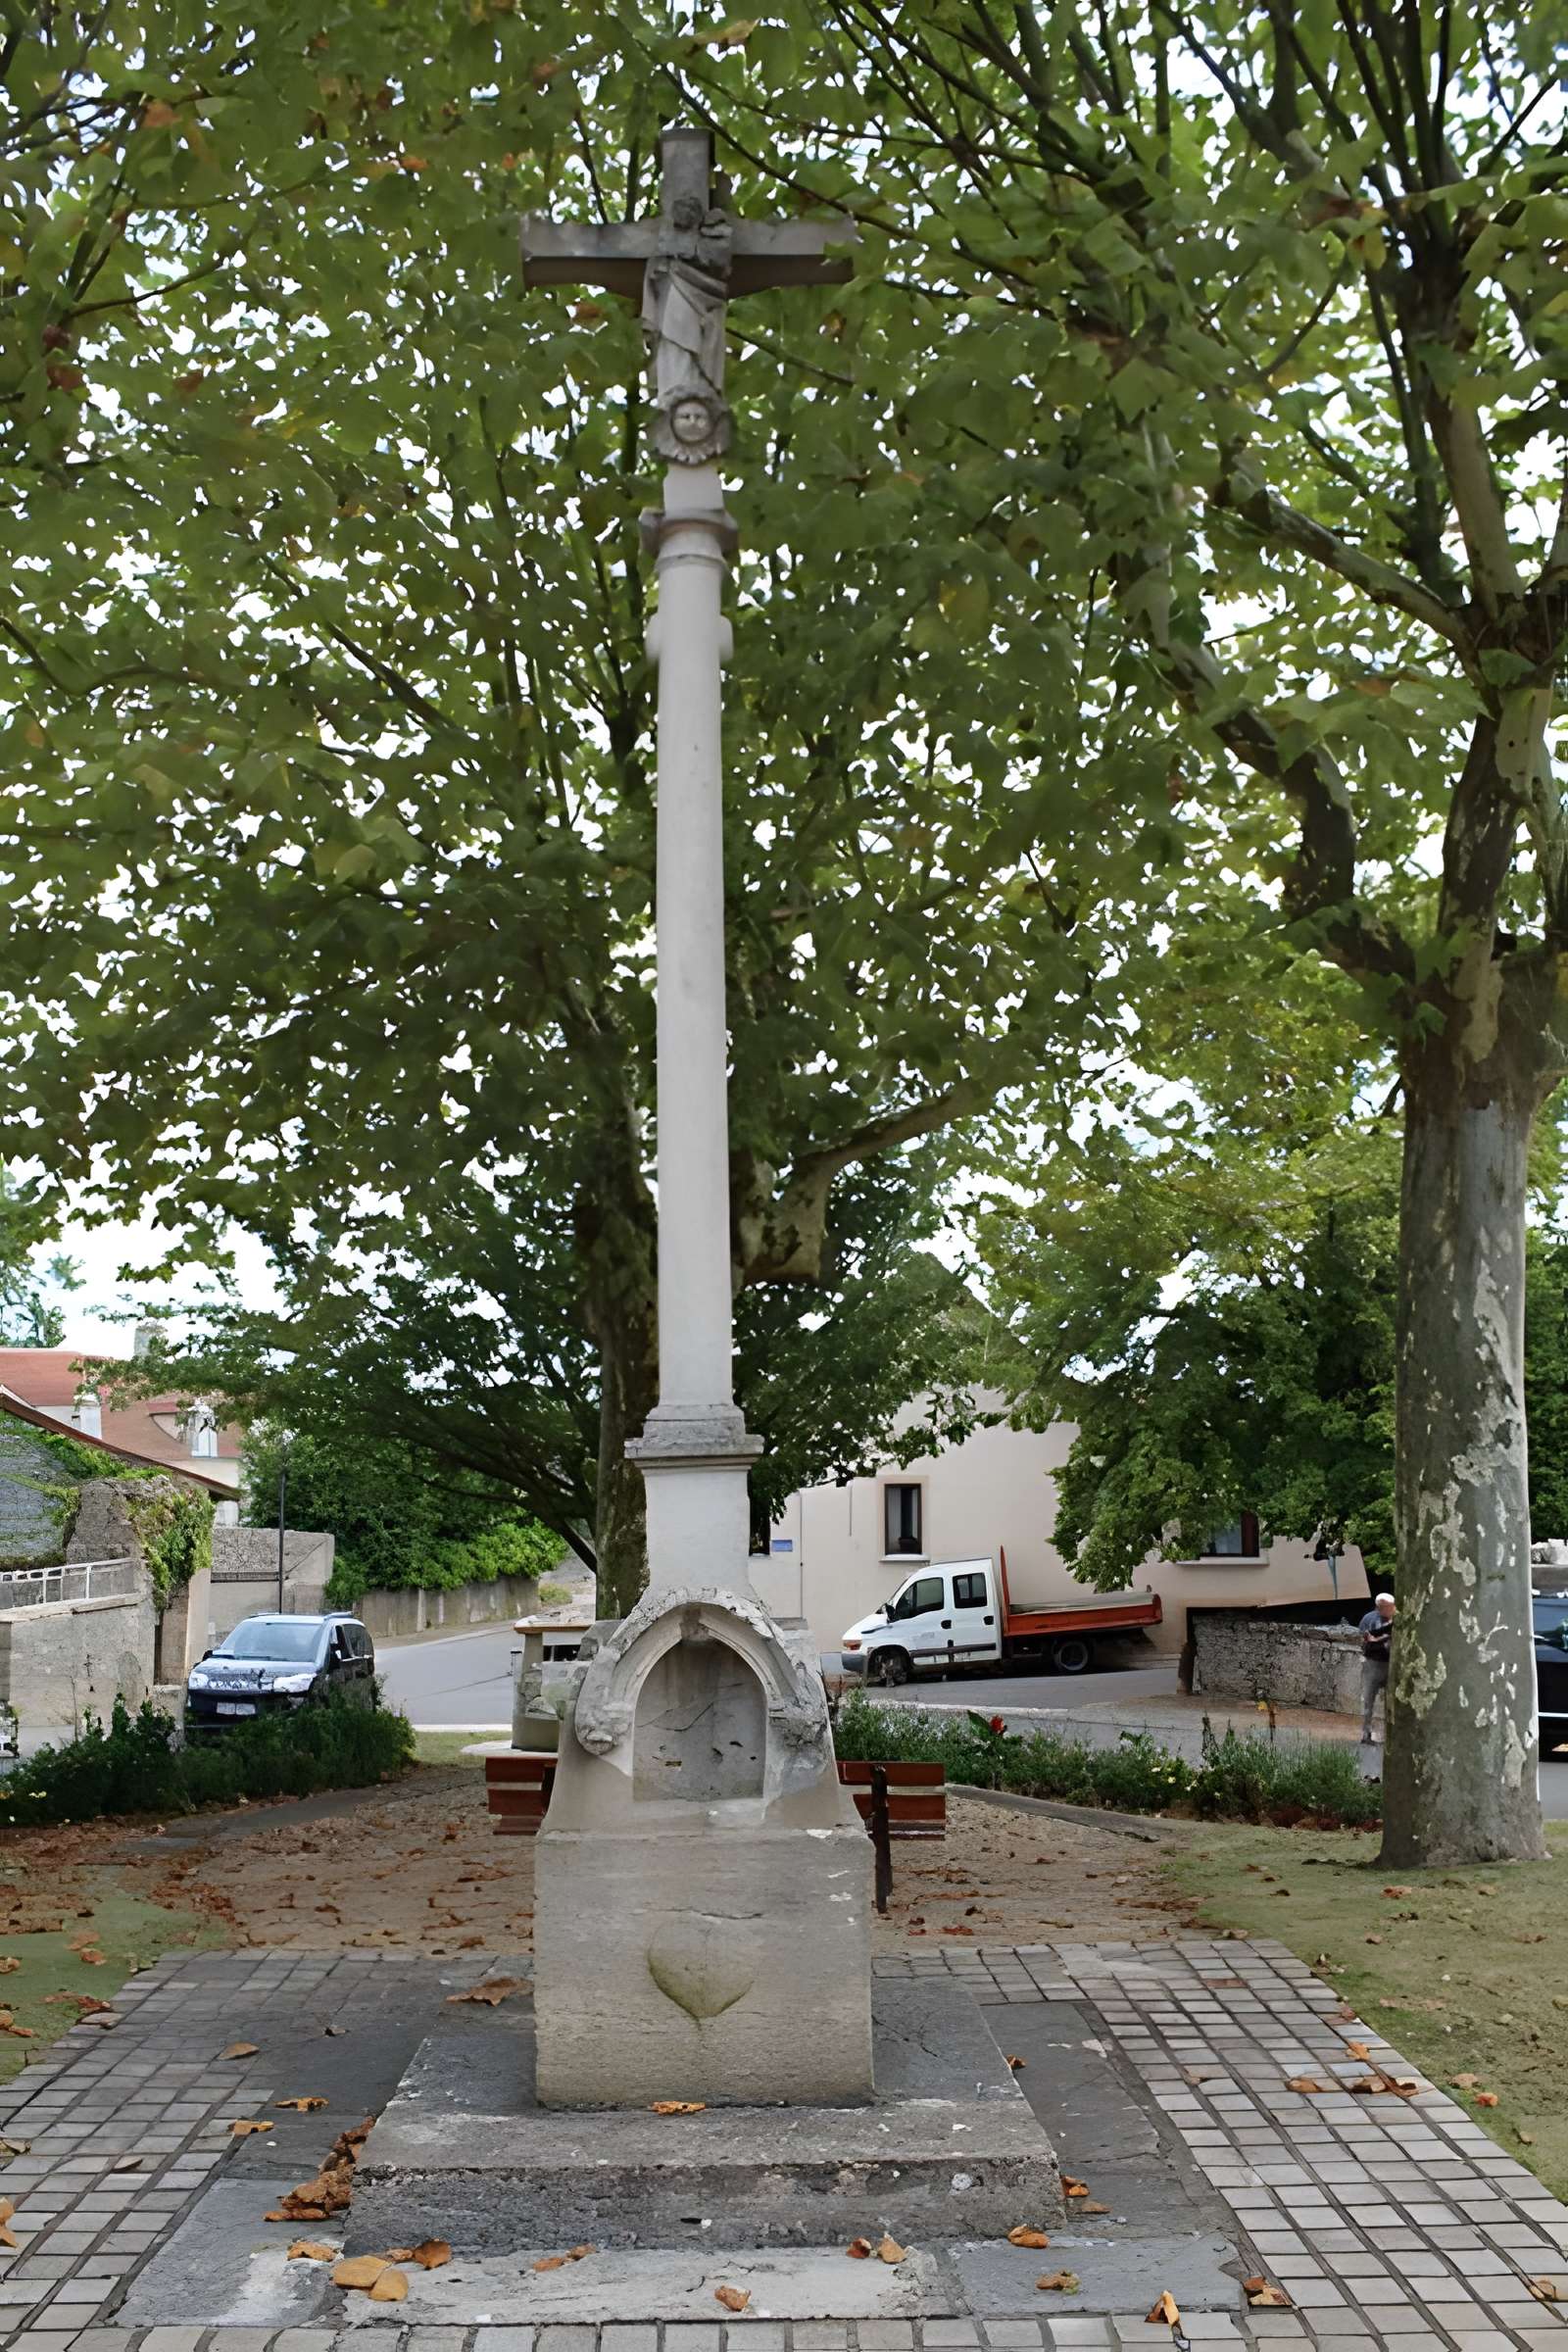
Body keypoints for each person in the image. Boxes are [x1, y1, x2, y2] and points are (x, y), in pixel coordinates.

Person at [1358, 1592, 1396, 1744]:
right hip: (1376, 1663)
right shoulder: (1370, 1619)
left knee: (1379, 1701)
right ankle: (1370, 1734)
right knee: (1371, 1700)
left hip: (1384, 1663)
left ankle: (1380, 1735)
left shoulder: (1392, 1619)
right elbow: (1365, 1639)